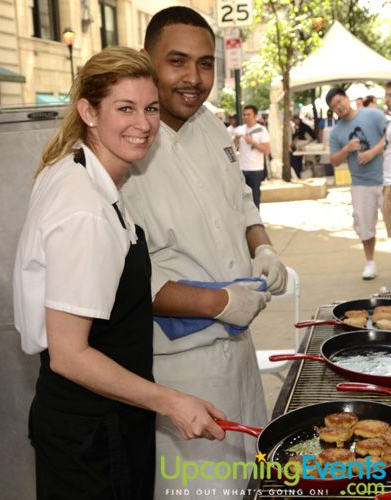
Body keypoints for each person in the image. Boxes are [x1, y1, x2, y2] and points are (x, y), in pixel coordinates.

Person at [13, 46, 228, 500]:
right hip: (92, 432)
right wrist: (170, 401)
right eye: (125, 108)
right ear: (87, 111)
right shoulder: (85, 209)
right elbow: (69, 355)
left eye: (150, 108)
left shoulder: (76, 167)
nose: (144, 124)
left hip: (99, 419)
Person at [121, 7, 288, 499]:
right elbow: (122, 281)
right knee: (199, 491)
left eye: (205, 63)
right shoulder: (127, 148)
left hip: (238, 355)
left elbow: (240, 201)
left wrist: (265, 249)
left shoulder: (211, 126)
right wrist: (218, 303)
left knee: (253, 484)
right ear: (147, 60)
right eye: (177, 61)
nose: (194, 78)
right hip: (179, 368)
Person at [327, 87, 386, 280]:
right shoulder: (337, 132)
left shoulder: (372, 115)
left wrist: (373, 151)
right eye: (334, 106)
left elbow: (388, 135)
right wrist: (347, 148)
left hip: (386, 179)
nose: (339, 107)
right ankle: (370, 263)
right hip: (360, 184)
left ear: (347, 98)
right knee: (365, 225)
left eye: (339, 101)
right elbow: (334, 160)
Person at [236, 104, 270, 210]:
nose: (245, 117)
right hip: (241, 169)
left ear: (255, 116)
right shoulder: (239, 129)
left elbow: (266, 150)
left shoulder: (261, 130)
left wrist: (252, 142)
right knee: (241, 199)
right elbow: (233, 148)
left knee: (254, 198)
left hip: (256, 169)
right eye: (244, 115)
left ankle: (255, 224)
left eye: (248, 115)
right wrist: (235, 140)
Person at [383, 81, 391, 238]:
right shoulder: (388, 123)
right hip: (387, 182)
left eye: (390, 95)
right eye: (386, 95)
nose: (387, 99)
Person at [318, 109, 337, 176]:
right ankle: (328, 175)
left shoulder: (336, 121)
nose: (329, 116)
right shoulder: (322, 122)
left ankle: (335, 175)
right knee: (326, 161)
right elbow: (320, 133)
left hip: (334, 144)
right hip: (325, 145)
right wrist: (321, 143)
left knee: (335, 160)